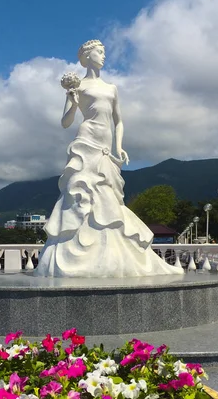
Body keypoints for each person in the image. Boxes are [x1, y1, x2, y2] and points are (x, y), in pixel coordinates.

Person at [34, 39, 184, 278]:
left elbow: (119, 120)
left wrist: (119, 146)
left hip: (105, 148)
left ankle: (110, 256)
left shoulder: (112, 88)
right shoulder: (79, 86)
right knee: (79, 192)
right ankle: (75, 255)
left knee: (108, 198)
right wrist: (72, 102)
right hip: (86, 142)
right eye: (99, 52)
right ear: (86, 56)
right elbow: (65, 123)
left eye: (104, 52)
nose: (103, 56)